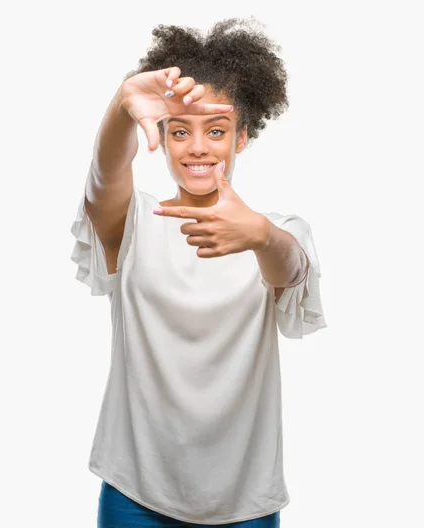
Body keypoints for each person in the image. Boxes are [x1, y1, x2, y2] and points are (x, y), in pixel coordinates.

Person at [70, 17, 327, 527]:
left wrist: (259, 236)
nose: (199, 147)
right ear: (161, 137)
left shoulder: (275, 230)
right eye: (180, 130)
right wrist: (122, 108)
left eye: (217, 130)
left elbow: (291, 268)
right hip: (135, 490)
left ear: (242, 138)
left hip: (244, 498)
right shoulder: (136, 221)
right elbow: (103, 181)